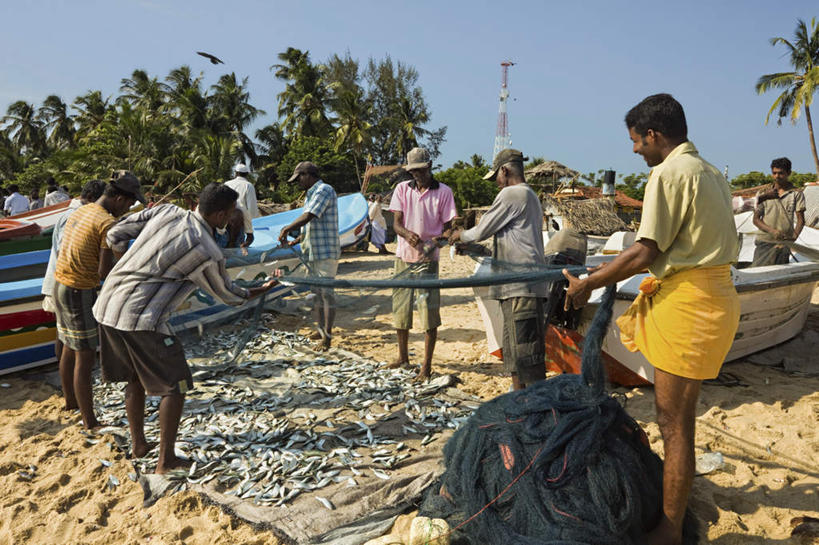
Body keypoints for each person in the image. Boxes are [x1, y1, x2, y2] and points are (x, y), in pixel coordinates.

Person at [562, 94, 739, 545]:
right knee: (679, 419)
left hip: (689, 304)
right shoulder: (711, 172)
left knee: (674, 424)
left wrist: (589, 283)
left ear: (655, 135)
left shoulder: (668, 173)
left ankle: (670, 530)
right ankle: (672, 516)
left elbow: (645, 251)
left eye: (636, 141)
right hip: (715, 298)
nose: (635, 151)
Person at [93, 183, 278, 473]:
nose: (231, 220)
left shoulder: (166, 211)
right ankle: (166, 461)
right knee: (175, 386)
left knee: (135, 378)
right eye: (230, 215)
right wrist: (262, 289)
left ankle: (139, 445)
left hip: (107, 306)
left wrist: (125, 267)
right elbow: (229, 295)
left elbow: (115, 233)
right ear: (218, 215)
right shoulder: (205, 249)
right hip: (140, 318)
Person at [449, 149, 547, 390]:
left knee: (527, 358)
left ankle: (534, 409)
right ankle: (518, 403)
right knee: (514, 356)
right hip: (515, 287)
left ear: (505, 170)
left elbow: (480, 231)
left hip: (521, 288)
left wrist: (457, 235)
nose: (496, 184)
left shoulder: (512, 194)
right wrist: (471, 248)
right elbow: (506, 242)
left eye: (496, 178)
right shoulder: (530, 195)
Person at [54, 172, 146, 429]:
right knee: (85, 356)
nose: (128, 208)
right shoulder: (107, 223)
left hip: (60, 283)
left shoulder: (84, 210)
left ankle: (71, 402)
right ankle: (89, 421)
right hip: (78, 290)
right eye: (128, 203)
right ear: (118, 198)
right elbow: (106, 272)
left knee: (69, 345)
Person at [388, 147, 457, 381]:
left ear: (429, 167)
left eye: (419, 170)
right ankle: (403, 357)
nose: (416, 175)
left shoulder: (444, 192)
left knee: (428, 314)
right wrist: (407, 235)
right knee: (400, 310)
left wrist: (436, 242)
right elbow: (396, 224)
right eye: (412, 171)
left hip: (428, 260)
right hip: (403, 257)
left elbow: (449, 228)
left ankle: (426, 365)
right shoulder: (401, 189)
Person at [41, 180, 107, 362]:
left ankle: (66, 378)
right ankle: (67, 379)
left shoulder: (76, 213)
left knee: (65, 335)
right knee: (71, 340)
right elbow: (69, 252)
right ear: (92, 198)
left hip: (63, 281)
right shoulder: (76, 215)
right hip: (67, 282)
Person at [278, 161, 340, 350]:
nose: (298, 183)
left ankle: (327, 337)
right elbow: (309, 226)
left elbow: (310, 216)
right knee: (316, 293)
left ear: (308, 175)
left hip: (325, 251)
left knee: (327, 294)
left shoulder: (323, 190)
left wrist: (287, 229)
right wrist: (296, 241)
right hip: (312, 252)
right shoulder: (310, 195)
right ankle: (320, 329)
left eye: (299, 179)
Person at [751, 157, 806, 266]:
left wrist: (793, 239)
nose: (777, 176)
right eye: (774, 173)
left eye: (781, 173)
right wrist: (773, 231)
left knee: (778, 274)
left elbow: (801, 220)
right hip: (764, 241)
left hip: (783, 244)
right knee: (758, 273)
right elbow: (756, 219)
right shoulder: (764, 193)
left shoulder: (796, 193)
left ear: (788, 173)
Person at [224, 163, 258, 248]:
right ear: (247, 174)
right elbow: (251, 207)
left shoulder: (227, 183)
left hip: (225, 213)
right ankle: (242, 248)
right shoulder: (248, 185)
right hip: (242, 214)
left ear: (236, 173)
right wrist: (250, 221)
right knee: (250, 237)